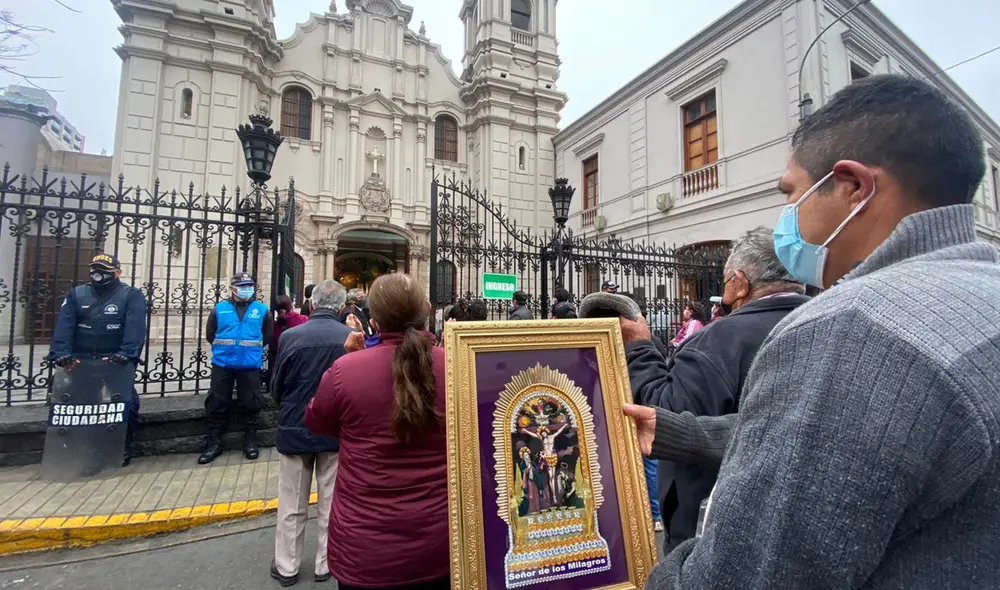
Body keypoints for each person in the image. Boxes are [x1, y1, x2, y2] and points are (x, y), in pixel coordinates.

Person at [642, 75, 1000, 588]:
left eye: (792, 193)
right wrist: (681, 431)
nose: (787, 217)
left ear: (853, 187)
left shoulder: (850, 328)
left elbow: (753, 572)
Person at [622, 227, 809, 550]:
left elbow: (664, 413)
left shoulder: (719, 340)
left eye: (724, 282)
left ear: (739, 283)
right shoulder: (824, 321)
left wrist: (639, 347)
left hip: (712, 521)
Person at [306, 273, 449, 590]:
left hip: (366, 549)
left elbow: (318, 422)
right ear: (426, 310)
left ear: (374, 320)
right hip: (442, 542)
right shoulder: (456, 366)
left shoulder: (347, 370)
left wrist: (349, 365)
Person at [269, 280, 352, 587]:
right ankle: (325, 562)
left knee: (292, 503)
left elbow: (277, 385)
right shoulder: (349, 337)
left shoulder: (291, 336)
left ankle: (287, 565)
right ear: (341, 308)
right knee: (331, 501)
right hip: (333, 431)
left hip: (294, 426)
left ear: (313, 305)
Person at [48, 253, 146, 467]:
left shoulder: (130, 295)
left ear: (117, 273)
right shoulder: (77, 295)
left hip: (115, 361)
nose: (98, 274)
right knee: (84, 406)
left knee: (125, 404)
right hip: (82, 361)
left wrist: (127, 353)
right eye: (94, 269)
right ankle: (86, 449)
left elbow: (135, 328)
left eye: (104, 270)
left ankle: (121, 446)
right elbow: (65, 326)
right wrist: (61, 352)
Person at [198, 272, 273, 465]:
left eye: (250, 286)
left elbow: (267, 336)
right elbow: (211, 334)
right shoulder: (219, 309)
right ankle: (214, 442)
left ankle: (250, 441)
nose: (247, 289)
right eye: (243, 286)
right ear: (233, 288)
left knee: (250, 403)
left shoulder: (262, 310)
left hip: (249, 364)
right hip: (223, 364)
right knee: (217, 402)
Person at [272, 295, 308, 360]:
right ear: (291, 305)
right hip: (300, 360)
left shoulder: (274, 325)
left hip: (280, 361)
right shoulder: (303, 319)